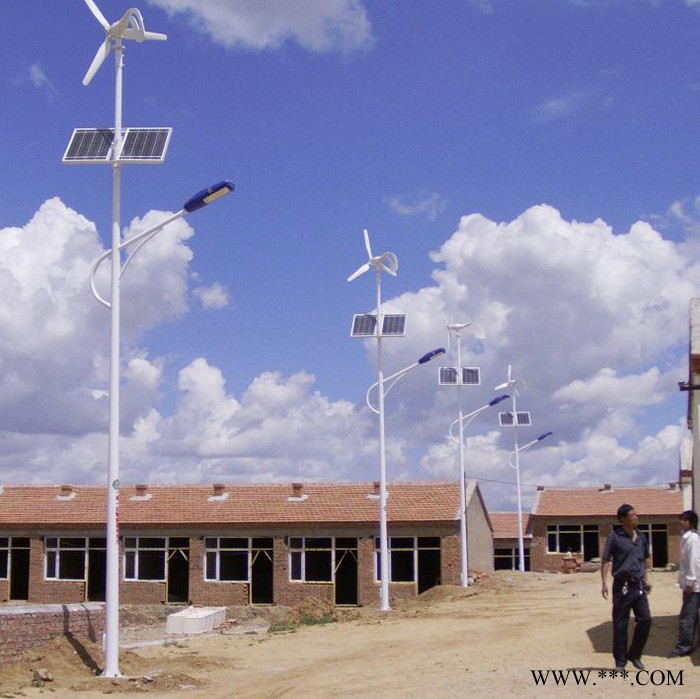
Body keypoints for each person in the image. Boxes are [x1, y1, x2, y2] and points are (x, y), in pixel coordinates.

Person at [600, 504, 652, 671]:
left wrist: (648, 578)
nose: (636, 517)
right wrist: (604, 583)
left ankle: (635, 655)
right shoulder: (615, 537)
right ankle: (620, 662)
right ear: (623, 519)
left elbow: (645, 559)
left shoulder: (642, 536)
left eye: (637, 515)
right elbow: (606, 560)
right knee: (621, 624)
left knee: (645, 620)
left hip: (639, 584)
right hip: (622, 585)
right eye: (632, 515)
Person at [668, 510, 700, 657]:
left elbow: (694, 561)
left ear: (692, 522)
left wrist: (690, 581)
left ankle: (683, 647)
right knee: (689, 616)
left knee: (687, 617)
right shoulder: (688, 537)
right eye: (681, 519)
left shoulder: (692, 539)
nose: (682, 522)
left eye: (685, 520)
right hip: (693, 584)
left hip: (693, 586)